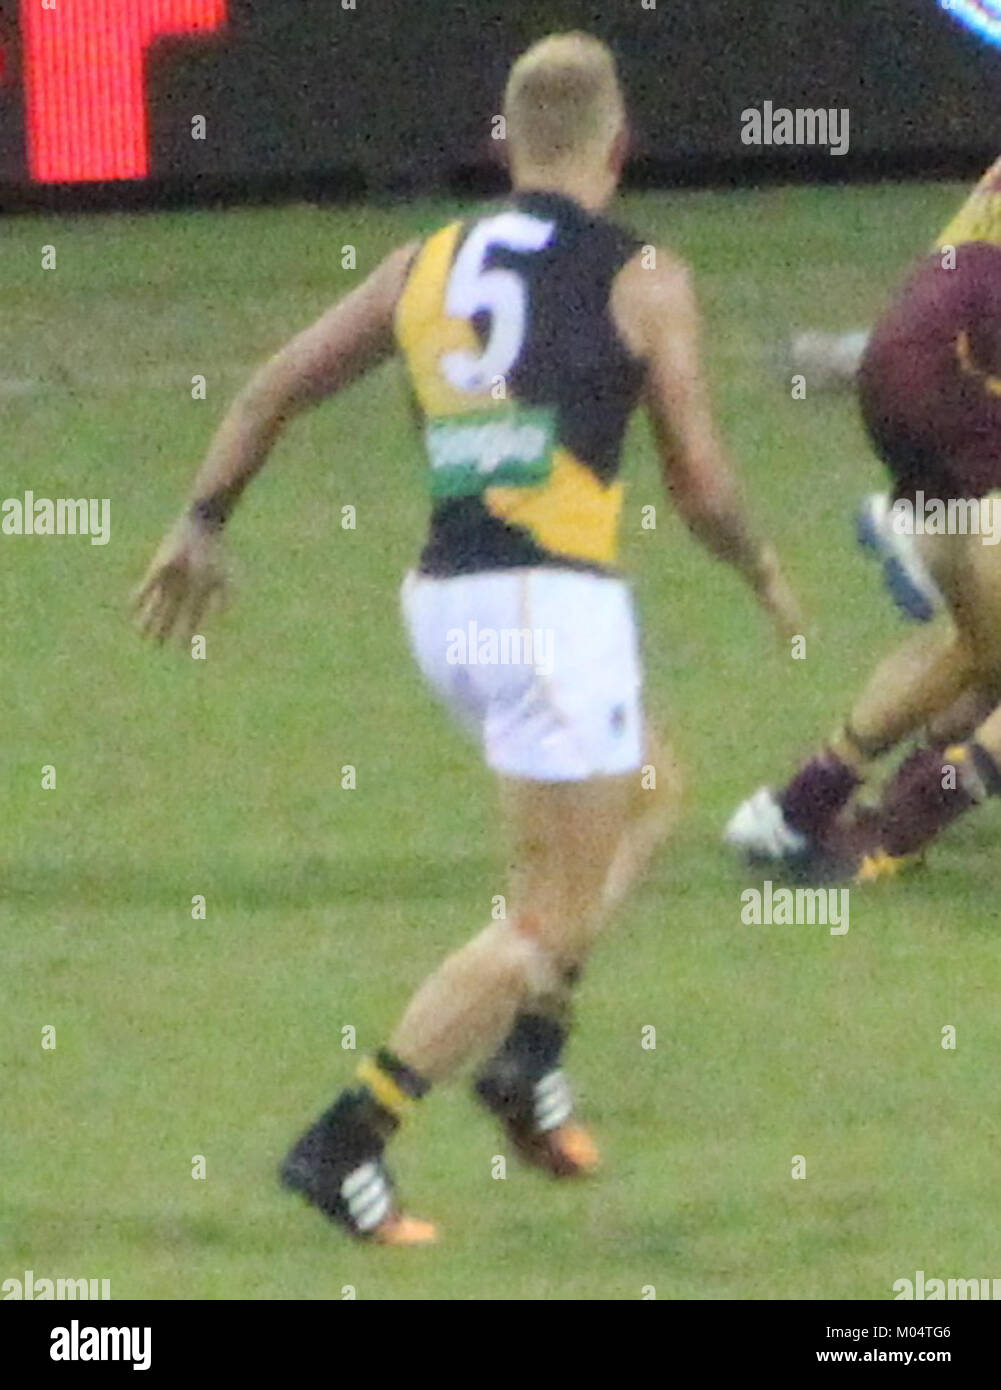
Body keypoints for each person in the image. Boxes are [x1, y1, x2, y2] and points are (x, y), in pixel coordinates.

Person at [136, 32, 799, 1244]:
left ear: (502, 145)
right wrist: (758, 564)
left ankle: (526, 1052)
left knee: (650, 784)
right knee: (541, 920)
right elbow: (698, 485)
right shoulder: (643, 273)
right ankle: (348, 1138)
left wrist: (201, 521)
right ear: (620, 144)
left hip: (448, 603)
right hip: (551, 611)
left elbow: (269, 386)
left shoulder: (420, 263)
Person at [727, 157, 1001, 881]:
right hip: (964, 396)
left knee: (977, 647)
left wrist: (849, 357)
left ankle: (794, 809)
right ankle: (905, 820)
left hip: (898, 375)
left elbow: (957, 284)